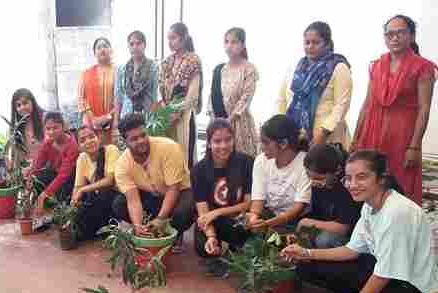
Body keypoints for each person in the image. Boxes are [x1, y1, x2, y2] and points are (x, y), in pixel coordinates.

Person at [281, 150, 438, 293]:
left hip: (408, 289)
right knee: (306, 265)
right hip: (385, 274)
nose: (352, 184)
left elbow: (383, 274)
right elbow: (351, 250)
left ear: (381, 178)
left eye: (362, 177)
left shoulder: (397, 213)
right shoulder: (369, 205)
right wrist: (306, 252)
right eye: (348, 178)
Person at [352, 14, 438, 205]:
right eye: (389, 34)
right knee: (370, 181)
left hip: (402, 137)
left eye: (401, 33)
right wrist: (357, 138)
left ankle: (402, 230)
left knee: (401, 186)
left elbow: (424, 108)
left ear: (412, 36)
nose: (395, 38)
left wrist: (414, 146)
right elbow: (367, 104)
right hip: (372, 133)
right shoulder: (376, 66)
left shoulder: (423, 67)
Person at [113, 113, 194, 250]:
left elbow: (173, 189)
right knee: (119, 204)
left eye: (143, 135)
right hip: (153, 195)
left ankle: (175, 230)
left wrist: (161, 218)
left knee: (182, 213)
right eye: (134, 139)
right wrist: (138, 226)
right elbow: (133, 200)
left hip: (180, 191)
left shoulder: (169, 147)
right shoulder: (122, 164)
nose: (141, 141)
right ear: (124, 141)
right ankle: (149, 228)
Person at [191, 119, 253, 275]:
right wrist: (211, 236)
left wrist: (218, 212)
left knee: (247, 231)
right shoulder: (199, 170)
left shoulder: (246, 163)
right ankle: (216, 248)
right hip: (214, 220)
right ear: (209, 143)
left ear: (233, 140)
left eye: (228, 140)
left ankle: (235, 248)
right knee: (202, 247)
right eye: (217, 141)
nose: (223, 146)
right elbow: (203, 212)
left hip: (239, 218)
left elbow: (248, 204)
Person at [278, 21, 352, 149]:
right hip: (296, 135)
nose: (310, 46)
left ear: (327, 44)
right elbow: (282, 99)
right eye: (307, 42)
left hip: (328, 137)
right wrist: (280, 126)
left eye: (316, 42)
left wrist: (323, 133)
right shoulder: (295, 68)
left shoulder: (339, 67)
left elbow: (341, 105)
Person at [247, 115, 311, 232]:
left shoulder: (306, 163)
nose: (262, 148)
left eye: (266, 143)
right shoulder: (261, 160)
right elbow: (258, 200)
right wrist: (253, 219)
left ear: (283, 143)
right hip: (269, 215)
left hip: (295, 220)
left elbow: (299, 207)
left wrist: (268, 224)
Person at [209, 27, 259, 157]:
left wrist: (229, 120)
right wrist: (216, 122)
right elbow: (212, 98)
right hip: (219, 122)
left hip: (240, 124)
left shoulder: (249, 69)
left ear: (243, 45)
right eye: (226, 42)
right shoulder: (221, 69)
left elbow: (246, 98)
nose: (229, 46)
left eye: (234, 42)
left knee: (241, 164)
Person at [300, 144, 361, 248]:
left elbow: (343, 228)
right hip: (328, 225)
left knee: (324, 240)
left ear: (337, 171)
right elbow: (316, 214)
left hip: (350, 236)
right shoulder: (319, 185)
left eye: (319, 178)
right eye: (309, 176)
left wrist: (308, 222)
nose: (313, 182)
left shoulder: (348, 188)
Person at [160, 23, 203, 169]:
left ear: (183, 38)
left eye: (173, 38)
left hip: (184, 116)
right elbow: (162, 90)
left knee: (185, 156)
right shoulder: (167, 62)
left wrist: (177, 112)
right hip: (167, 117)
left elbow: (192, 95)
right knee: (169, 155)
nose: (170, 42)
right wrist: (166, 110)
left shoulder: (193, 60)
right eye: (168, 38)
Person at [71, 125, 121, 240]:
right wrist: (72, 207)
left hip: (116, 195)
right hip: (98, 196)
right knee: (81, 228)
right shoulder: (82, 158)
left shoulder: (110, 150)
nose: (88, 141)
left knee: (102, 199)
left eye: (91, 136)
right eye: (82, 140)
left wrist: (83, 189)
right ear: (79, 146)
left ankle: (113, 227)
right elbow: (77, 186)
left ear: (98, 137)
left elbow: (110, 180)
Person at [27, 112, 79, 213]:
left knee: (62, 190)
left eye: (55, 128)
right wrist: (30, 177)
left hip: (71, 178)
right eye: (48, 129)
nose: (51, 132)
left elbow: (63, 175)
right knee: (37, 179)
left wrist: (45, 194)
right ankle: (40, 208)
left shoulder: (72, 146)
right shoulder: (48, 142)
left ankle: (57, 210)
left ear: (63, 127)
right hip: (56, 174)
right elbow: (38, 164)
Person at [78, 37, 117, 146]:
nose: (102, 49)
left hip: (114, 121)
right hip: (91, 123)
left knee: (112, 152)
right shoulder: (86, 73)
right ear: (94, 53)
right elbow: (81, 99)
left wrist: (108, 116)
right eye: (99, 47)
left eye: (105, 46)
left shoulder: (119, 71)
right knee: (95, 154)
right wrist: (93, 119)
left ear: (111, 50)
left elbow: (121, 97)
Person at [115, 31, 159, 122]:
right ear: (128, 46)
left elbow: (155, 97)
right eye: (131, 44)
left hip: (146, 116)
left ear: (145, 45)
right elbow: (118, 98)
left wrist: (151, 120)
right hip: (126, 117)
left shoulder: (153, 67)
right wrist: (116, 121)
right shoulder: (122, 69)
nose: (135, 47)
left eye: (138, 43)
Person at [10, 88, 45, 162]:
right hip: (29, 169)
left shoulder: (46, 119)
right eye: (18, 105)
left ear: (33, 102)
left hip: (49, 168)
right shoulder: (17, 128)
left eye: (25, 103)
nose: (22, 107)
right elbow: (18, 155)